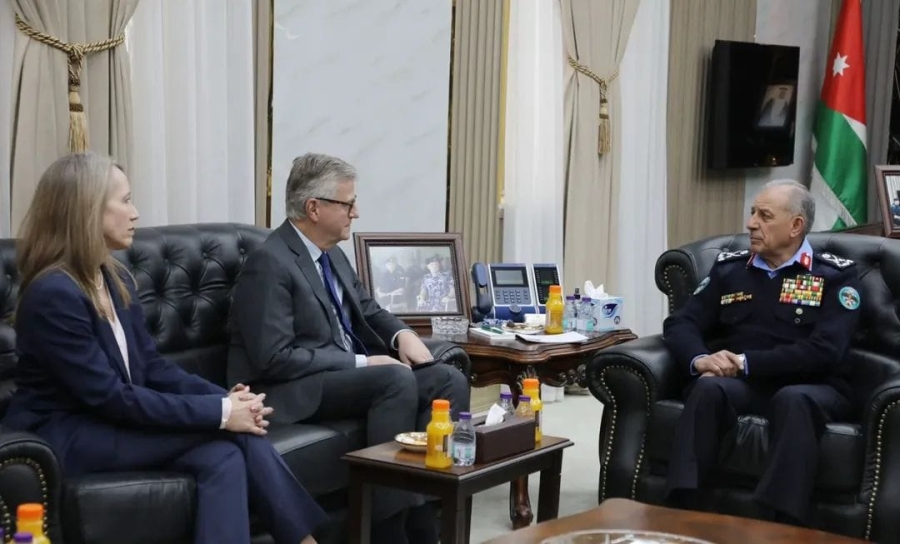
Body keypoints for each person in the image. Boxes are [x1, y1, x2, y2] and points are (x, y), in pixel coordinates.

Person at [1, 152, 327, 544]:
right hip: (68, 435)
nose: (135, 213)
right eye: (125, 201)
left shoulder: (113, 278)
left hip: (110, 421)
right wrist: (223, 413)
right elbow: (109, 397)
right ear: (87, 210)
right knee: (237, 435)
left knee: (222, 455)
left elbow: (152, 368)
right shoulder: (53, 293)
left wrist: (226, 399)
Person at [227, 152, 470, 544]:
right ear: (314, 208)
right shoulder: (269, 263)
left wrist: (402, 335)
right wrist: (361, 362)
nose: (355, 212)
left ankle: (424, 511)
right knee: (392, 379)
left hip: (336, 377)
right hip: (291, 387)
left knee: (447, 380)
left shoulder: (331, 254)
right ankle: (386, 531)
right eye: (348, 203)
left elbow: (368, 308)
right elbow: (274, 357)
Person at [663, 179, 861, 526]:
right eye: (753, 213)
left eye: (764, 216)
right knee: (707, 387)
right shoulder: (730, 269)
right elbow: (682, 322)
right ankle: (679, 511)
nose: (751, 223)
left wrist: (745, 363)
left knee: (793, 400)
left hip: (813, 385)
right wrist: (701, 359)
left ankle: (779, 524)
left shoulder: (834, 277)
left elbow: (826, 350)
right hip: (743, 384)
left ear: (795, 225)